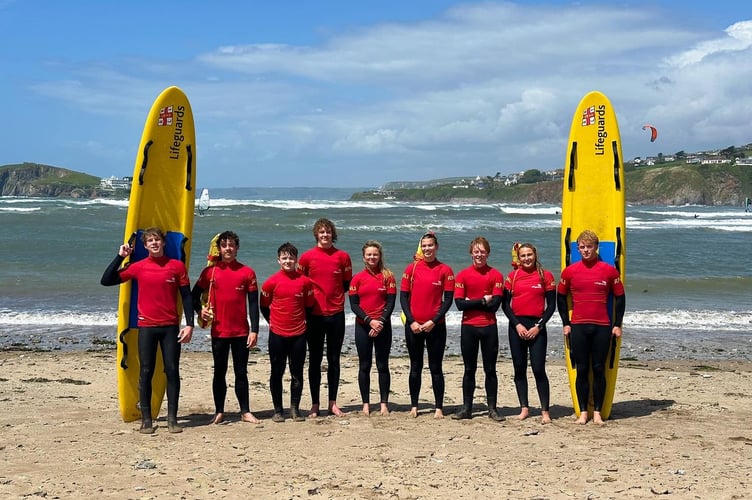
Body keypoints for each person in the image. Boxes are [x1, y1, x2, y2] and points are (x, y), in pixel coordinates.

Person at [100, 227, 194, 434]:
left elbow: (186, 296)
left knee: (171, 371)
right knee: (146, 371)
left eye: (157, 240)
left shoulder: (176, 266)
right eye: (150, 241)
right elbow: (106, 280)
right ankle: (147, 420)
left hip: (170, 327)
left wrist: (189, 324)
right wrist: (120, 256)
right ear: (145, 246)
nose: (154, 243)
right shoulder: (138, 267)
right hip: (147, 327)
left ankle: (172, 419)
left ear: (163, 243)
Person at [191, 231, 261, 425]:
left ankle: (245, 411)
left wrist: (254, 330)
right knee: (219, 372)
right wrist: (200, 311)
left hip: (241, 332)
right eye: (224, 245)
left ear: (237, 248)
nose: (228, 248)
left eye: (231, 245)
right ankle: (219, 411)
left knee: (241, 372)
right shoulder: (210, 272)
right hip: (219, 332)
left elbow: (253, 304)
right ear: (219, 248)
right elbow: (192, 296)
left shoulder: (247, 272)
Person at [557, 230, 625, 425]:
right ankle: (583, 413)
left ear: (597, 248)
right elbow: (560, 297)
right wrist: (565, 323)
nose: (586, 250)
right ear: (577, 249)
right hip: (578, 326)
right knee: (582, 369)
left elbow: (620, 297)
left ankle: (597, 412)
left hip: (602, 326)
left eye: (589, 247)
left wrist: (617, 324)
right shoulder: (569, 271)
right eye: (582, 247)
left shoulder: (609, 270)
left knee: (598, 369)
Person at [298, 218, 352, 417]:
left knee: (334, 359)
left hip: (336, 314)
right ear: (316, 235)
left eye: (328, 232)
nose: (325, 235)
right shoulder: (306, 258)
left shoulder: (343, 257)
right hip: (314, 315)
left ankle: (333, 403)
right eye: (321, 232)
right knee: (314, 360)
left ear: (333, 234)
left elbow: (346, 284)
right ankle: (314, 403)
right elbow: (301, 285)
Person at [400, 231, 455, 418]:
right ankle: (414, 406)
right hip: (414, 326)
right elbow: (403, 298)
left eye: (430, 245)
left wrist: (433, 320)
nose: (427, 248)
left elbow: (448, 300)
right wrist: (412, 321)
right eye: (424, 246)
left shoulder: (445, 270)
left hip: (436, 326)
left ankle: (439, 407)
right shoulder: (411, 268)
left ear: (436, 247)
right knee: (415, 366)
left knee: (435, 366)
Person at [260, 242, 315, 423]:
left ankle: (295, 409)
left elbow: (309, 306)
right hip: (277, 334)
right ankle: (278, 410)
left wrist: (301, 323)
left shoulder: (305, 282)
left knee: (297, 372)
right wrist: (273, 322)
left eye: (291, 257)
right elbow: (264, 306)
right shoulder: (271, 282)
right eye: (284, 257)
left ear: (296, 260)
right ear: (279, 260)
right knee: (277, 371)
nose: (288, 261)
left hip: (299, 334)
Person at [502, 242, 556, 424]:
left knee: (539, 368)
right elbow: (505, 305)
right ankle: (524, 408)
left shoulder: (545, 276)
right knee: (519, 368)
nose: (526, 258)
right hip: (517, 326)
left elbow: (551, 306)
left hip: (536, 326)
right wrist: (517, 325)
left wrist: (538, 326)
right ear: (518, 257)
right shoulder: (512, 276)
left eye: (529, 255)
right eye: (523, 255)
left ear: (535, 255)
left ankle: (545, 411)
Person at [452, 237, 505, 421]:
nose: (479, 254)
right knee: (469, 369)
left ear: (488, 253)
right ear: (471, 253)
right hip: (469, 328)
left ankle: (492, 409)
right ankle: (467, 408)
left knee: (490, 369)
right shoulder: (462, 275)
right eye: (476, 251)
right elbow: (459, 304)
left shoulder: (496, 275)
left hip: (489, 327)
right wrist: (483, 300)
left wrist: (471, 302)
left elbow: (495, 306)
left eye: (482, 251)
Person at [348, 240, 397, 416]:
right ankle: (366, 403)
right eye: (369, 254)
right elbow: (354, 305)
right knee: (365, 365)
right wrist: (370, 321)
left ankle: (384, 403)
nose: (372, 257)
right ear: (363, 257)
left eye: (375, 254)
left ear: (379, 256)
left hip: (383, 326)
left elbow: (391, 303)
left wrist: (380, 322)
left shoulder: (388, 276)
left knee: (383, 365)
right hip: (363, 326)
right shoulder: (356, 279)